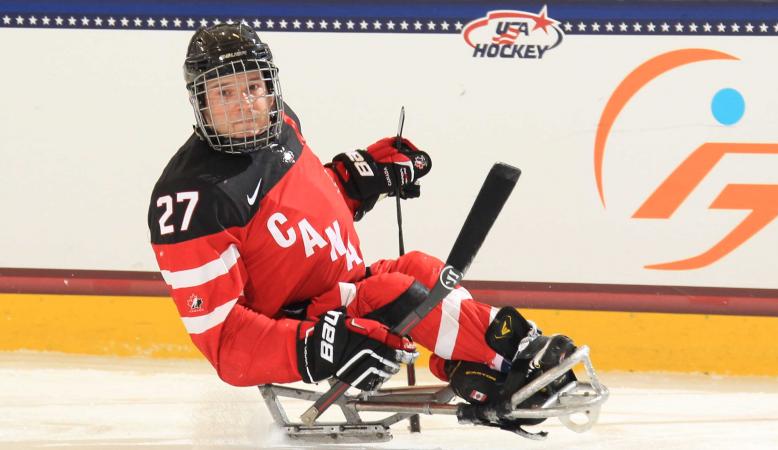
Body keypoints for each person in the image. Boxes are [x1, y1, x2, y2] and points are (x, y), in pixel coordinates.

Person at [148, 23, 575, 413]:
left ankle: (495, 360)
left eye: (254, 86)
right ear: (200, 101)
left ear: (270, 85)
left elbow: (296, 217)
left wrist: (358, 178)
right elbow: (225, 342)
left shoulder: (281, 124)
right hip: (297, 324)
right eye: (224, 93)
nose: (245, 104)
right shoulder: (191, 198)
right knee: (395, 291)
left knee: (421, 269)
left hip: (339, 286)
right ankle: (513, 375)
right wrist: (315, 348)